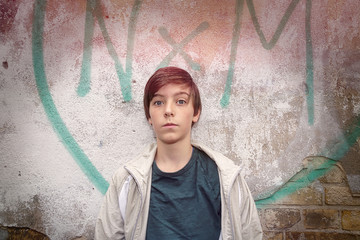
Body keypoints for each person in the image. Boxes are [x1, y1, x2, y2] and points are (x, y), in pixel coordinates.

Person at [95, 66, 263, 239]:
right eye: (158, 102)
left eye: (180, 101)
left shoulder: (226, 177)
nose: (168, 110)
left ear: (196, 112)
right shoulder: (127, 181)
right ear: (149, 116)